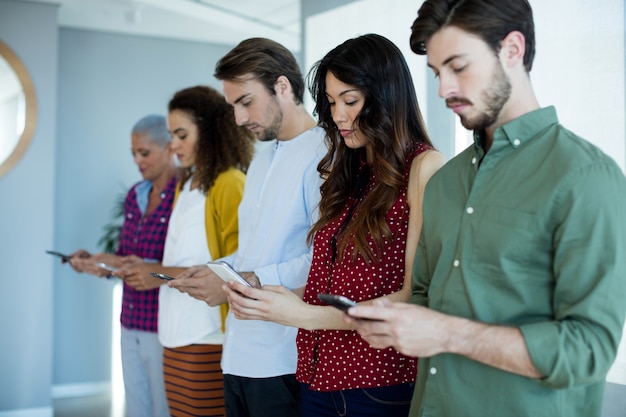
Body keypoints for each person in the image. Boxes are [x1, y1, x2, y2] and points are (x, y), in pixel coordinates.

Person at [348, 2, 626, 417]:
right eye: (437, 73)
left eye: (458, 67)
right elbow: (425, 296)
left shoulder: (587, 177)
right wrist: (393, 319)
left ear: (512, 49)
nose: (444, 89)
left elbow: (587, 350)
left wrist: (447, 333)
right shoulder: (444, 184)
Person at [222, 34, 446, 417]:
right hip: (317, 378)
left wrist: (301, 314)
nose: (339, 115)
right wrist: (265, 293)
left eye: (350, 101)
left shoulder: (423, 168)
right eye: (330, 102)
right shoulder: (347, 170)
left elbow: (412, 295)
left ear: (386, 96)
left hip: (377, 383)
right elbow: (328, 275)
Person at [167, 38, 326, 417]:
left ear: (283, 86)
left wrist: (244, 281)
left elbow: (324, 259)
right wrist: (216, 270)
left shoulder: (324, 154)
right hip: (236, 355)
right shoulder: (260, 161)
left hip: (284, 359)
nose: (239, 119)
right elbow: (255, 250)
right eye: (233, 106)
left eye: (246, 102)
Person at [116, 85, 254, 417]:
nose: (173, 143)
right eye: (171, 135)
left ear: (207, 132)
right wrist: (152, 268)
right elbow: (182, 259)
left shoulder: (230, 182)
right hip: (173, 333)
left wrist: (157, 273)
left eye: (180, 134)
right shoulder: (187, 185)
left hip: (208, 336)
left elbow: (239, 269)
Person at [68, 114, 177, 417]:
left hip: (162, 325)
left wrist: (147, 269)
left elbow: (185, 265)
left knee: (163, 408)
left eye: (144, 153)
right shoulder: (135, 195)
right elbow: (125, 256)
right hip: (129, 321)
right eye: (133, 153)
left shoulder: (184, 196)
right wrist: (93, 261)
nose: (137, 161)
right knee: (137, 406)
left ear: (169, 147)